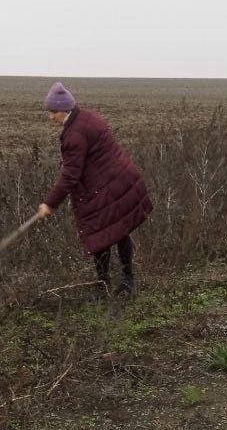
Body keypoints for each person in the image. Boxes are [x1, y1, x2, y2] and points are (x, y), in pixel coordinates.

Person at [36, 82, 153, 298]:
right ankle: (118, 282)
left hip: (107, 188)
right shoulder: (88, 118)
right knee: (117, 231)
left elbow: (71, 175)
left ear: (65, 109)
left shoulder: (74, 135)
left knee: (103, 233)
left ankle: (108, 285)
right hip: (118, 181)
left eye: (53, 112)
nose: (51, 117)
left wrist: (50, 203)